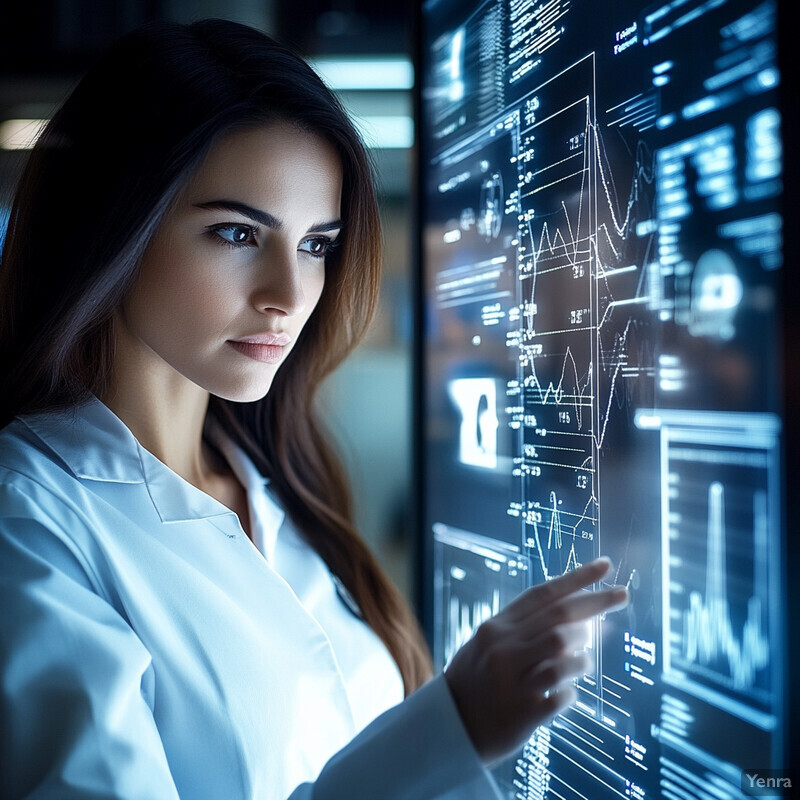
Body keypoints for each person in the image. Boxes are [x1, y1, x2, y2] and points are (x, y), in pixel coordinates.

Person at [0, 18, 628, 799]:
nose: (288, 298)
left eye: (316, 245)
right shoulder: (27, 521)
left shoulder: (271, 485)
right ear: (113, 227)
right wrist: (450, 728)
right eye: (236, 233)